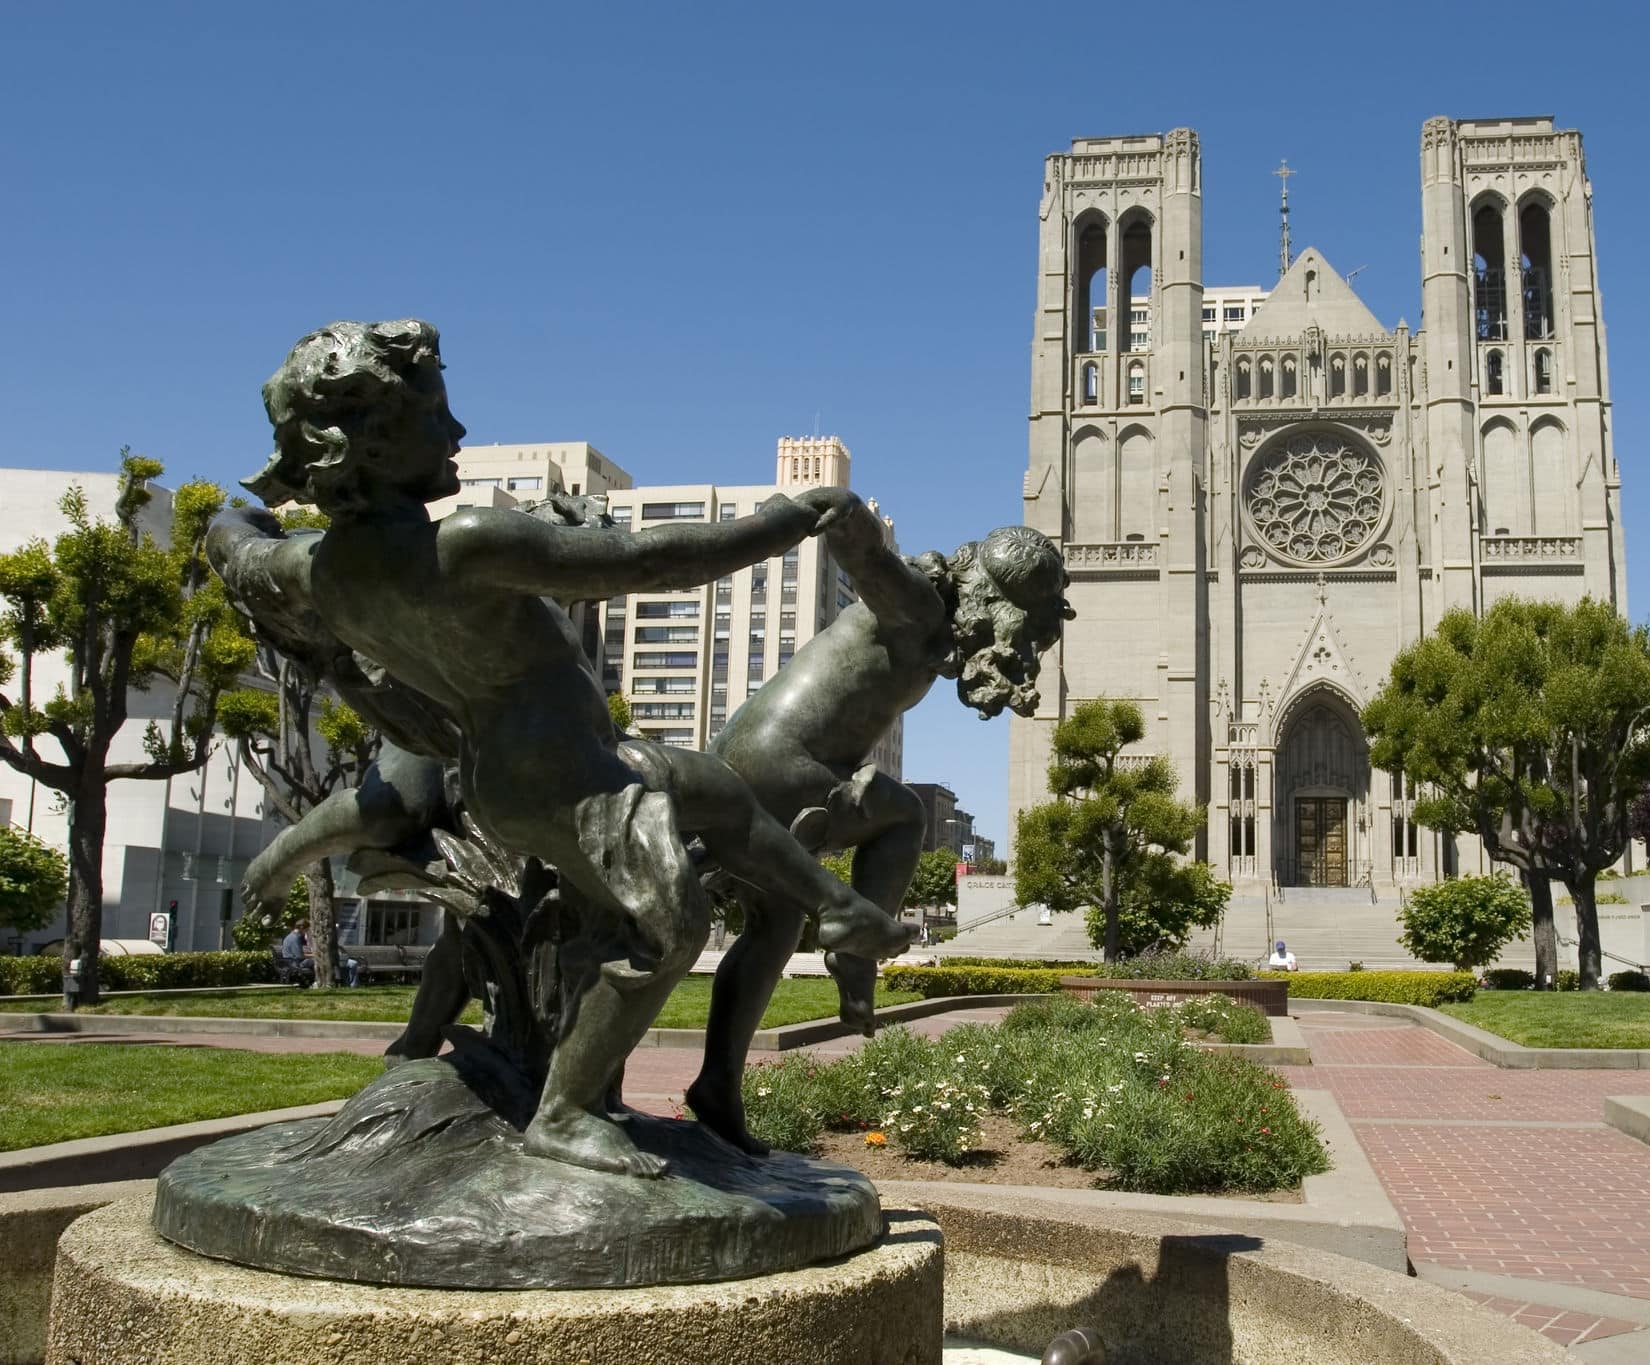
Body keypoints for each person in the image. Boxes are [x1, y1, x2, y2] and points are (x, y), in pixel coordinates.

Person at [219, 318, 909, 1177]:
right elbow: (650, 560)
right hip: (563, 780)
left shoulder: (314, 570)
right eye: (438, 413)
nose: (459, 434)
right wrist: (789, 518)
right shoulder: (463, 543)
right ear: (373, 441)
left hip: (541, 765)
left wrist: (231, 516)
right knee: (672, 923)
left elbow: (238, 550)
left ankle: (837, 909)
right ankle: (567, 1109)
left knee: (722, 794)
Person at [688, 507, 1069, 1153]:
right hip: (786, 764)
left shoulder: (929, 625)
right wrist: (845, 512)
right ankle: (857, 948)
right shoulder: (917, 605)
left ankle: (717, 1088)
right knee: (907, 813)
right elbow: (869, 561)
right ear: (986, 596)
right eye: (1013, 625)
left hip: (761, 759)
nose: (1010, 645)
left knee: (774, 926)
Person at [279, 919, 315, 986]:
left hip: (289, 961)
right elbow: (299, 956)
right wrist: (314, 955)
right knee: (315, 961)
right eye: (306, 930)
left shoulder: (289, 936)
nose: (306, 932)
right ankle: (315, 981)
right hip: (294, 963)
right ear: (301, 928)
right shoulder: (296, 938)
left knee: (313, 960)